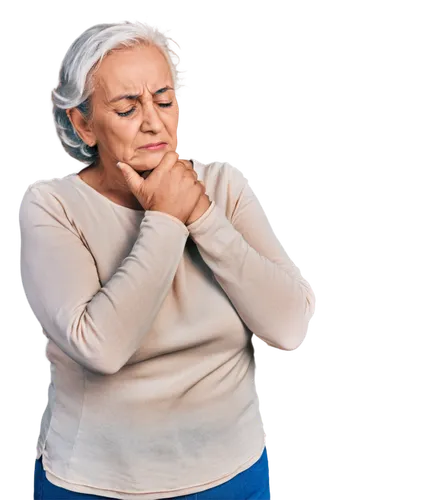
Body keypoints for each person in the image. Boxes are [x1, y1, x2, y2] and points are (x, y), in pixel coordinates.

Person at [21, 19, 316, 499]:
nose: (154, 122)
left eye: (164, 100)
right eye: (126, 108)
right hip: (95, 483)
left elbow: (290, 327)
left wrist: (201, 214)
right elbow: (101, 348)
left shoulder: (222, 185)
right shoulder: (52, 206)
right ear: (83, 122)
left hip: (234, 475)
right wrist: (166, 218)